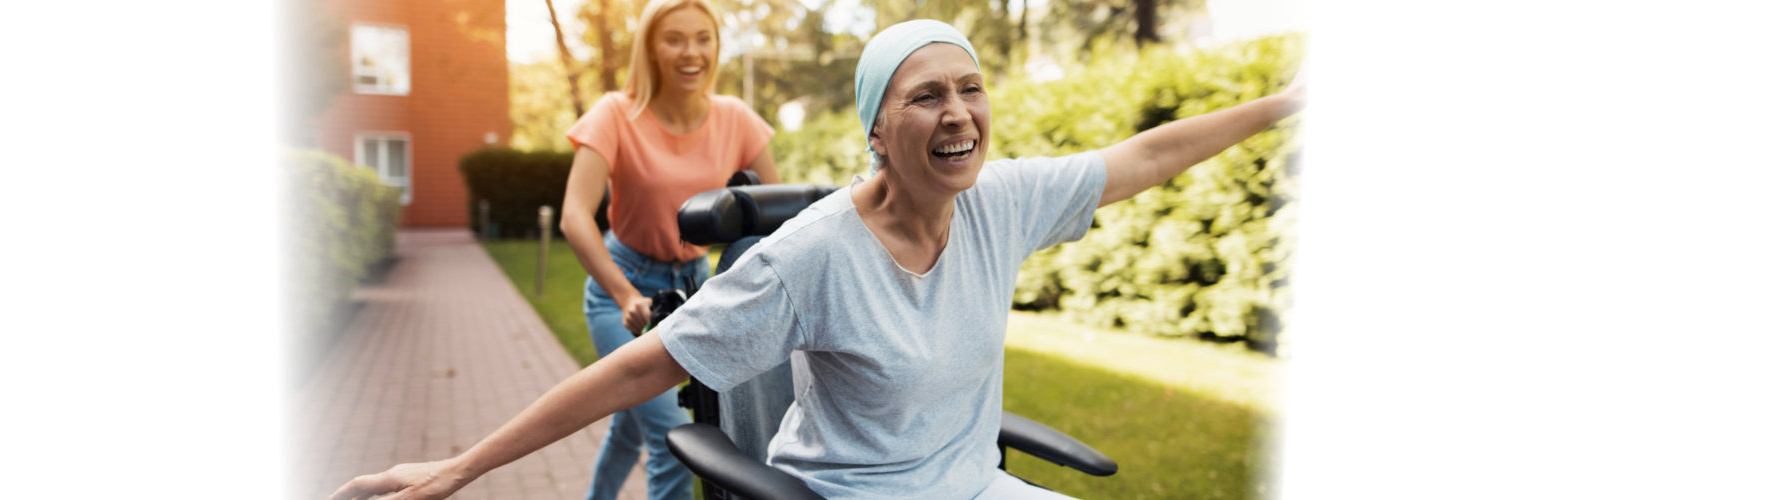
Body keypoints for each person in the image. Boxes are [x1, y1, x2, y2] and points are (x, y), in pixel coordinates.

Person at [328, 19, 1304, 500]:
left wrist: (1286, 101)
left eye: (971, 87)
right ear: (878, 130)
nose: (958, 111)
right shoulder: (810, 256)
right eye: (926, 96)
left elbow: (1150, 151)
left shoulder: (1001, 198)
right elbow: (640, 365)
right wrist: (458, 468)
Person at [558, 0, 778, 498]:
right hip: (625, 289)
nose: (691, 52)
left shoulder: (735, 118)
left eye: (703, 38)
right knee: (672, 439)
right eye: (674, 38)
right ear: (651, 49)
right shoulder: (615, 114)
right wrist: (623, 296)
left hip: (697, 289)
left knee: (631, 426)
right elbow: (575, 217)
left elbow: (777, 215)